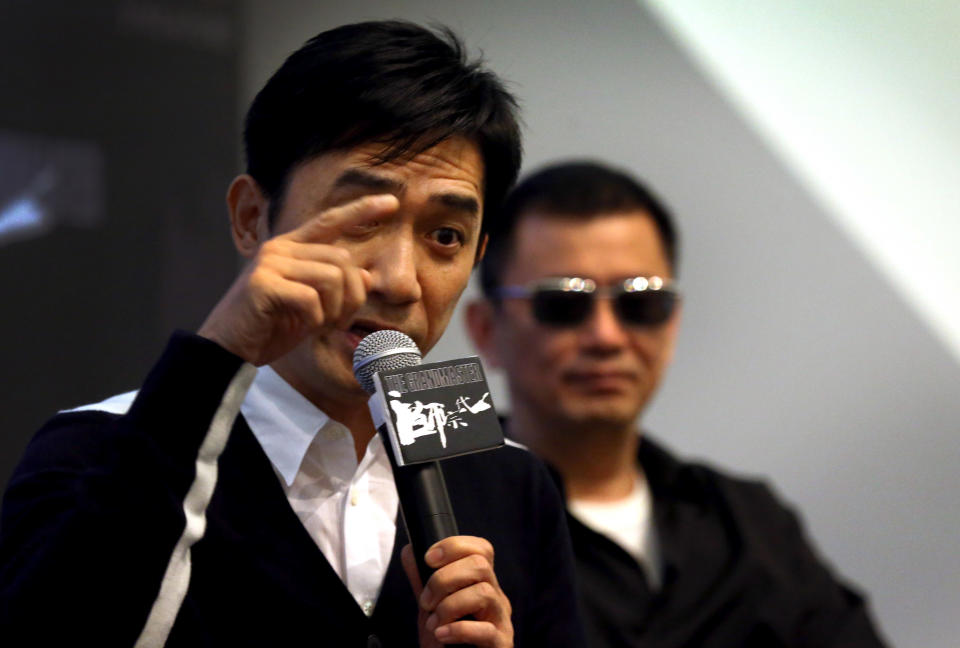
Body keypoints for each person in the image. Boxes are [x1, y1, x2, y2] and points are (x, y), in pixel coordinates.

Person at [0, 22, 587, 648]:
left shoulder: (507, 478)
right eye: (361, 220)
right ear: (253, 218)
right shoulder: (101, 448)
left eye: (445, 236)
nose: (398, 280)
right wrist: (218, 350)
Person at [466, 161, 888, 647]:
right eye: (563, 303)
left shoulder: (749, 521)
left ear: (673, 321)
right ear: (486, 329)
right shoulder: (447, 520)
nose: (606, 336)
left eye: (641, 302)